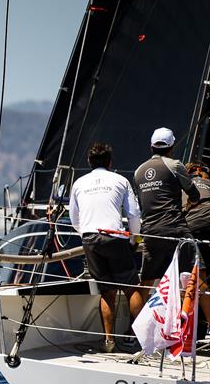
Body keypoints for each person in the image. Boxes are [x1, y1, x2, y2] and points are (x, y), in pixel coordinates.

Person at [69, 143, 144, 353]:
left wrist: (86, 233)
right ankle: (132, 338)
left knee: (107, 292)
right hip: (115, 238)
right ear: (110, 162)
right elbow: (134, 214)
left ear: (89, 162)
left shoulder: (79, 183)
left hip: (90, 239)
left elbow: (75, 219)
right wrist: (134, 241)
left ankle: (109, 341)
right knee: (131, 289)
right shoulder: (120, 180)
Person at [133, 127, 200, 289]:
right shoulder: (175, 165)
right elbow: (195, 195)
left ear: (151, 147)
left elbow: (141, 204)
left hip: (150, 232)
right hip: (175, 229)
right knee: (194, 276)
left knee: (146, 281)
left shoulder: (138, 171)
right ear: (172, 147)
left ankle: (136, 315)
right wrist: (187, 206)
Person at [183, 163, 210, 326]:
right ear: (200, 171)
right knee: (201, 277)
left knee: (198, 276)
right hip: (202, 226)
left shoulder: (182, 185)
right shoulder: (207, 182)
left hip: (192, 227)